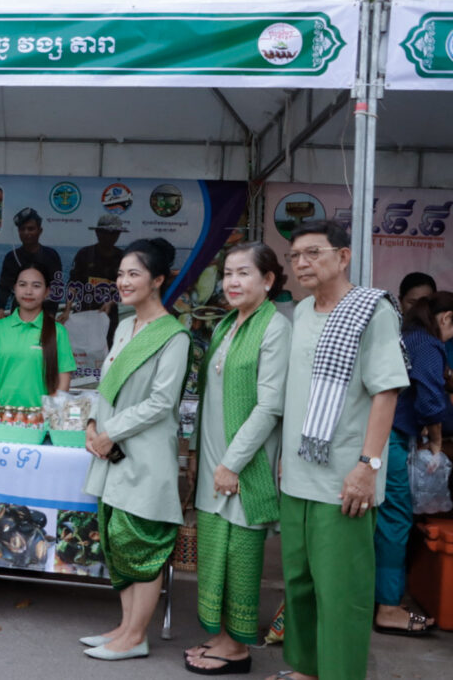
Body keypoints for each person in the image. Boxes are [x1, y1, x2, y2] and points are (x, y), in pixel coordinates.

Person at [270, 220, 409, 680]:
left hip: (344, 480)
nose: (302, 263)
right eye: (295, 256)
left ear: (343, 256)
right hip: (299, 474)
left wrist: (367, 466)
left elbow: (386, 391)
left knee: (341, 590)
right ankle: (307, 669)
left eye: (313, 253)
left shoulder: (372, 310)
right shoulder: (302, 311)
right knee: (300, 582)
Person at [79, 238, 191, 662]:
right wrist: (92, 423)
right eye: (121, 274)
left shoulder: (174, 335)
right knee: (118, 539)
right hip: (112, 451)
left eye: (134, 274)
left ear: (158, 280)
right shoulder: (125, 326)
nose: (123, 281)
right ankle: (126, 628)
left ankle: (136, 636)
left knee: (142, 543)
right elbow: (107, 385)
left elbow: (162, 402)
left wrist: (110, 431)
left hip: (144, 455)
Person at [183, 243, 291, 674]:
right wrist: (196, 451)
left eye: (243, 273)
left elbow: (270, 406)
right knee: (215, 553)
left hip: (244, 465)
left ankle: (236, 648)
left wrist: (232, 464)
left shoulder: (274, 328)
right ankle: (222, 635)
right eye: (228, 273)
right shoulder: (227, 324)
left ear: (268, 280)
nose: (231, 282)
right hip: (214, 460)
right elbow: (208, 397)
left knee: (240, 554)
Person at [374, 292, 453, 635]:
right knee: (396, 518)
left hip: (382, 434)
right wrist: (435, 441)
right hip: (389, 437)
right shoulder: (427, 343)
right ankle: (388, 608)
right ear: (446, 318)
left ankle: (379, 597)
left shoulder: (407, 335)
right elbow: (431, 399)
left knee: (381, 517)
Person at [0, 263, 75, 408]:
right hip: (2, 416)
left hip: (41, 418)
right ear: (14, 288)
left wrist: (47, 414)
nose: (28, 291)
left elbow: (64, 380)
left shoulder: (58, 331)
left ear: (47, 292)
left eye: (36, 286)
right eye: (22, 285)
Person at [59, 214, 127, 343]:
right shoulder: (84, 254)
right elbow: (73, 285)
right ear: (97, 232)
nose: (110, 237)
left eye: (114, 233)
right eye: (105, 233)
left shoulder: (123, 258)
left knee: (107, 348)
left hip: (109, 316)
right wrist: (67, 309)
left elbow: (125, 287)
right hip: (83, 312)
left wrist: (111, 302)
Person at [0, 207, 62, 318]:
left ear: (40, 231)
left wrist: (51, 314)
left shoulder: (51, 255)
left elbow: (56, 286)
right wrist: (1, 310)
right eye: (22, 229)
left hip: (45, 312)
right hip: (18, 312)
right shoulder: (11, 257)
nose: (26, 233)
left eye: (31, 229)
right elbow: (4, 287)